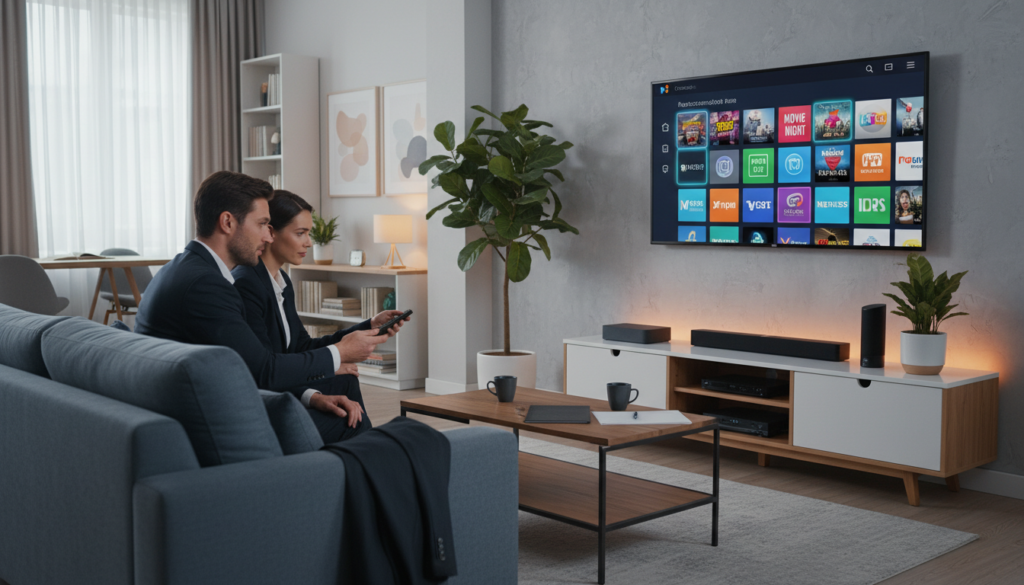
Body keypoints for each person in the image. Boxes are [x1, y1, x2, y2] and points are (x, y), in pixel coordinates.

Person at [135, 171, 400, 442]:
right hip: (208, 421)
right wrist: (338, 355)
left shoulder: (187, 269)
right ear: (227, 222)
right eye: (262, 224)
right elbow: (262, 371)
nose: (268, 236)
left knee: (351, 410)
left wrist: (357, 337)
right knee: (358, 425)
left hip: (200, 403)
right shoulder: (207, 285)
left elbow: (280, 354)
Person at [230, 190, 411, 438]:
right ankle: (367, 449)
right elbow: (263, 369)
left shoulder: (281, 280)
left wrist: (368, 325)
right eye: (300, 233)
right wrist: (314, 393)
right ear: (271, 233)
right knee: (351, 415)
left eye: (309, 234)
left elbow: (302, 345)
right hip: (268, 394)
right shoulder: (247, 283)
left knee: (346, 379)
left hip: (283, 378)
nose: (309, 243)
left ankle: (363, 449)